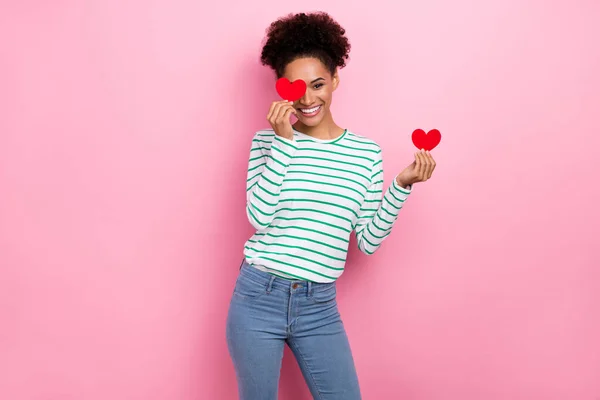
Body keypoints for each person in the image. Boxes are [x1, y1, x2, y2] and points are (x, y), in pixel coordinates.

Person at [226, 11, 436, 400]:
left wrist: (401, 185)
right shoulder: (267, 142)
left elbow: (368, 241)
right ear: (282, 88)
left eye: (318, 84)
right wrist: (285, 142)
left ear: (335, 79)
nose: (307, 99)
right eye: (295, 87)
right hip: (258, 296)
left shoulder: (365, 155)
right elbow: (258, 216)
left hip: (318, 307)